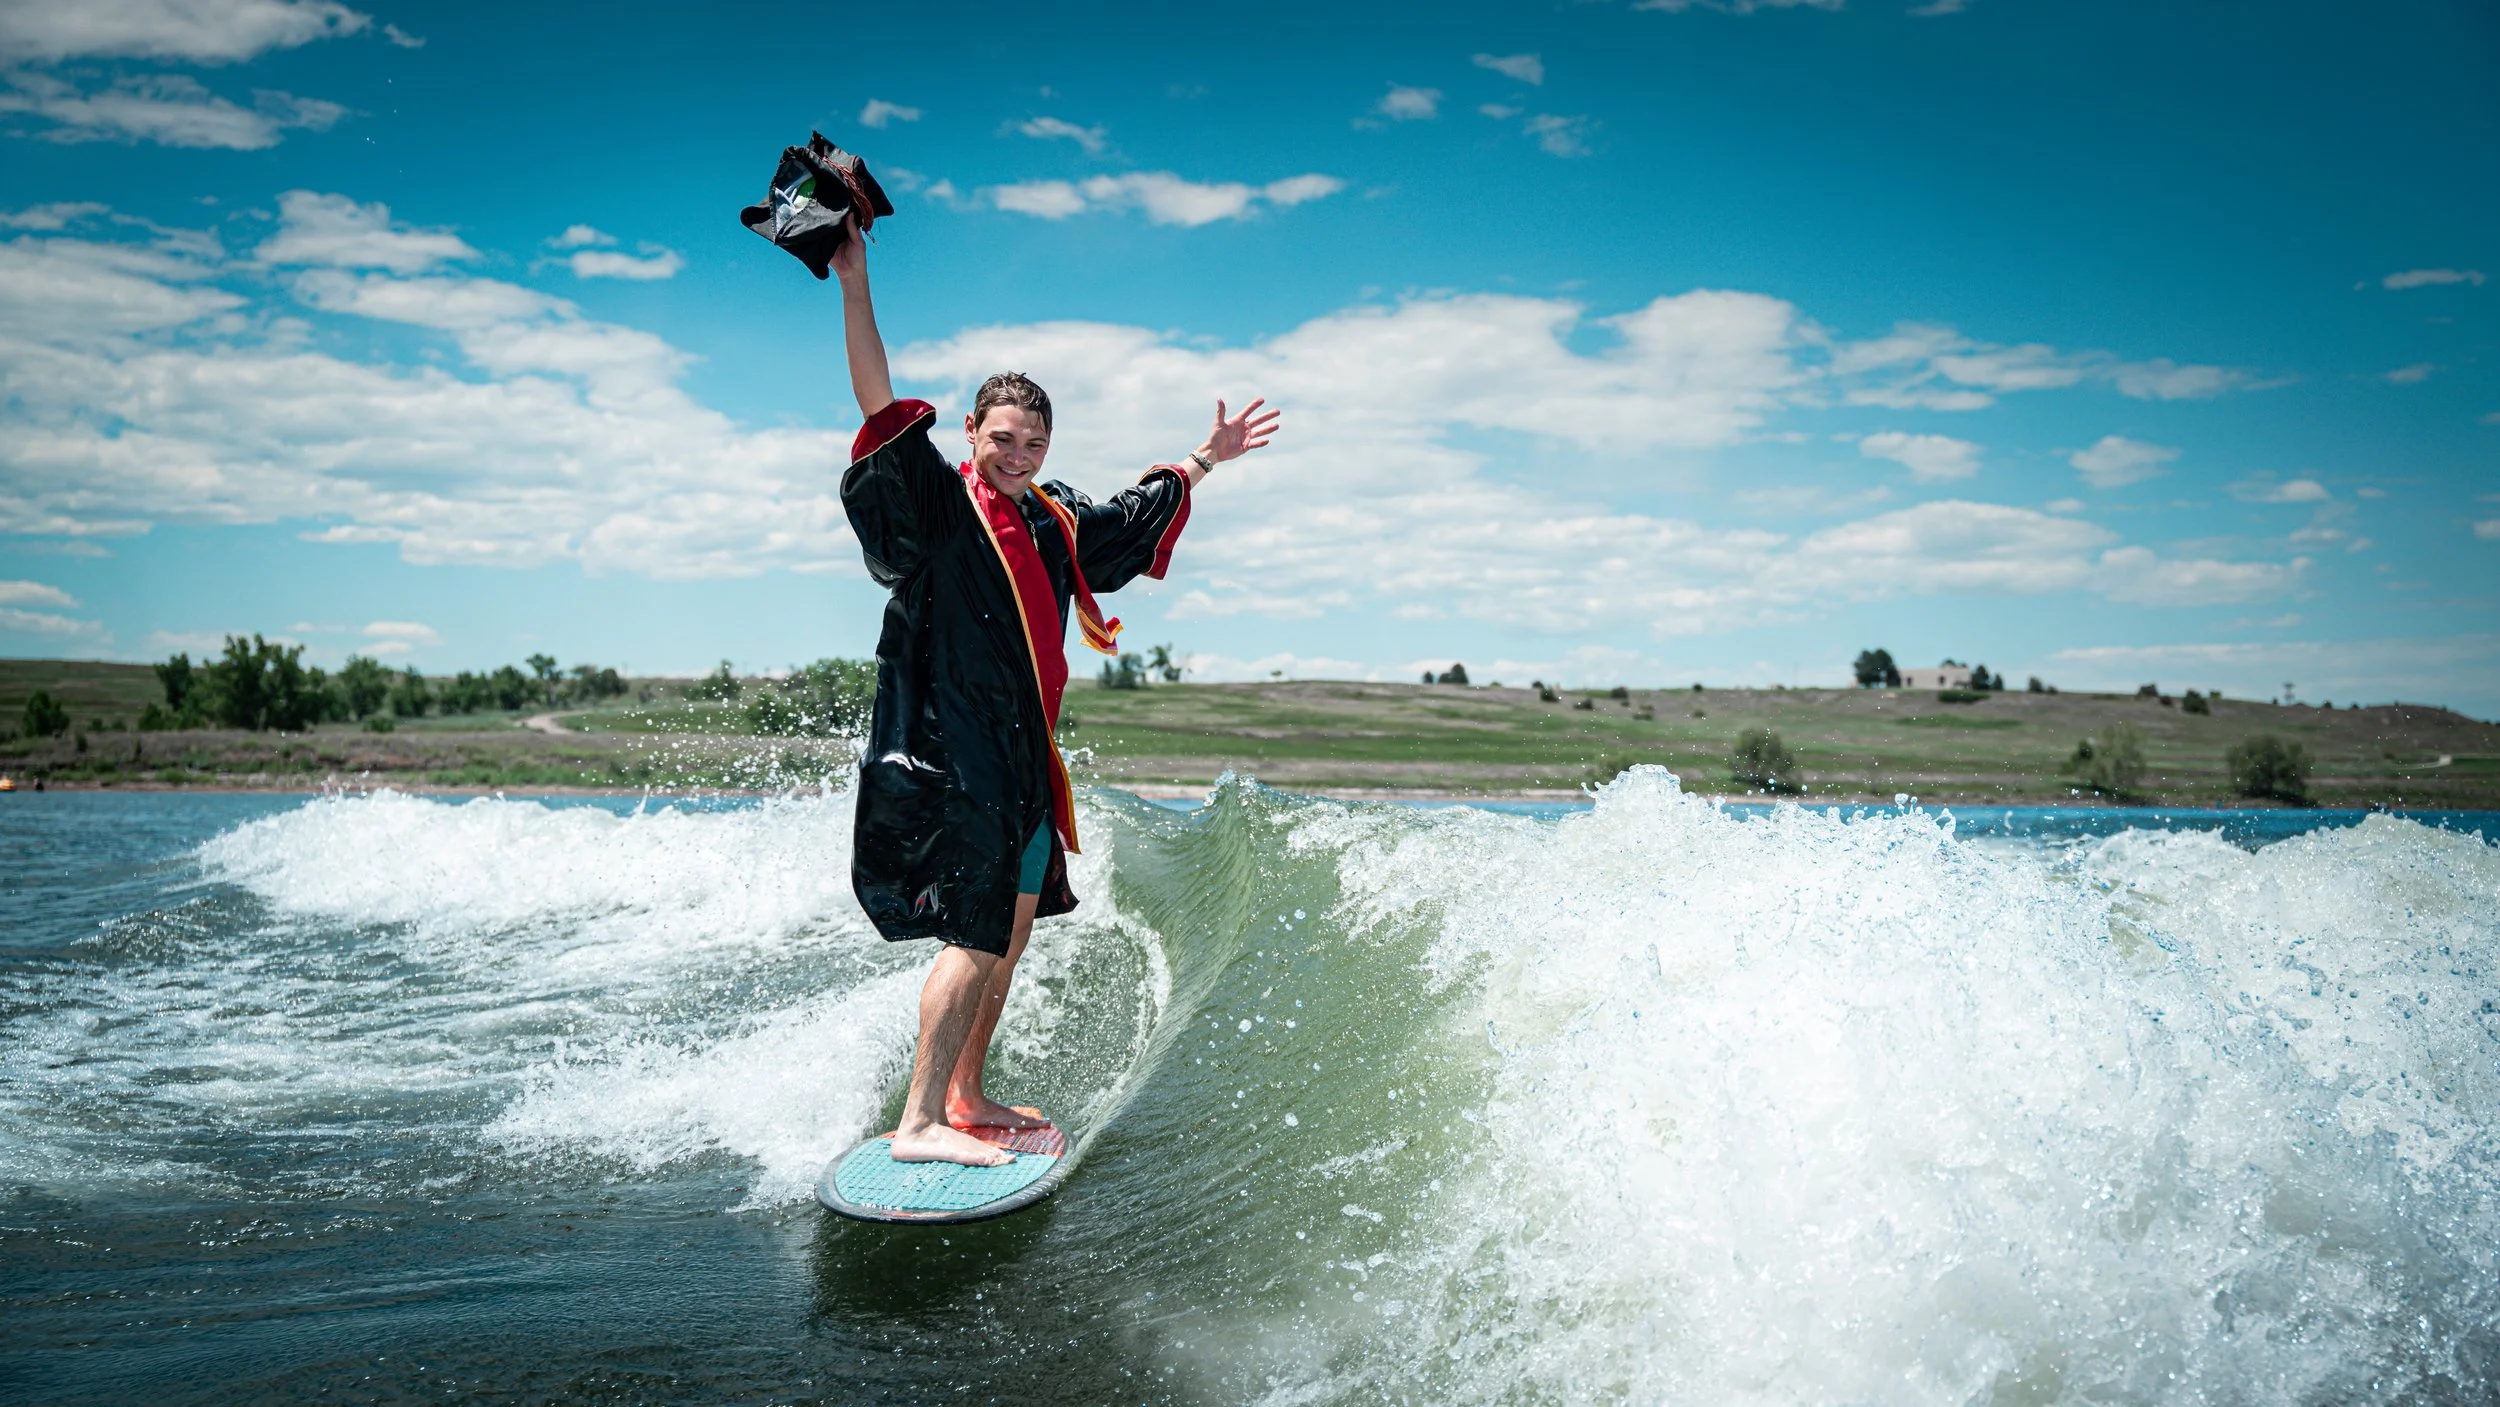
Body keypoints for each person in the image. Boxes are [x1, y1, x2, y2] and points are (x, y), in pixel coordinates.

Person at [832, 216, 1279, 1166]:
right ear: (970, 433)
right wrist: (853, 281)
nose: (1019, 453)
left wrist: (1206, 458)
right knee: (975, 924)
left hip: (1027, 750)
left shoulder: (1051, 514)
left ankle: (966, 1091)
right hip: (958, 748)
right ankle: (917, 1123)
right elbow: (876, 399)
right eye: (1003, 438)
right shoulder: (949, 507)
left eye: (1034, 440)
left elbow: (1125, 520)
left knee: (1013, 922)